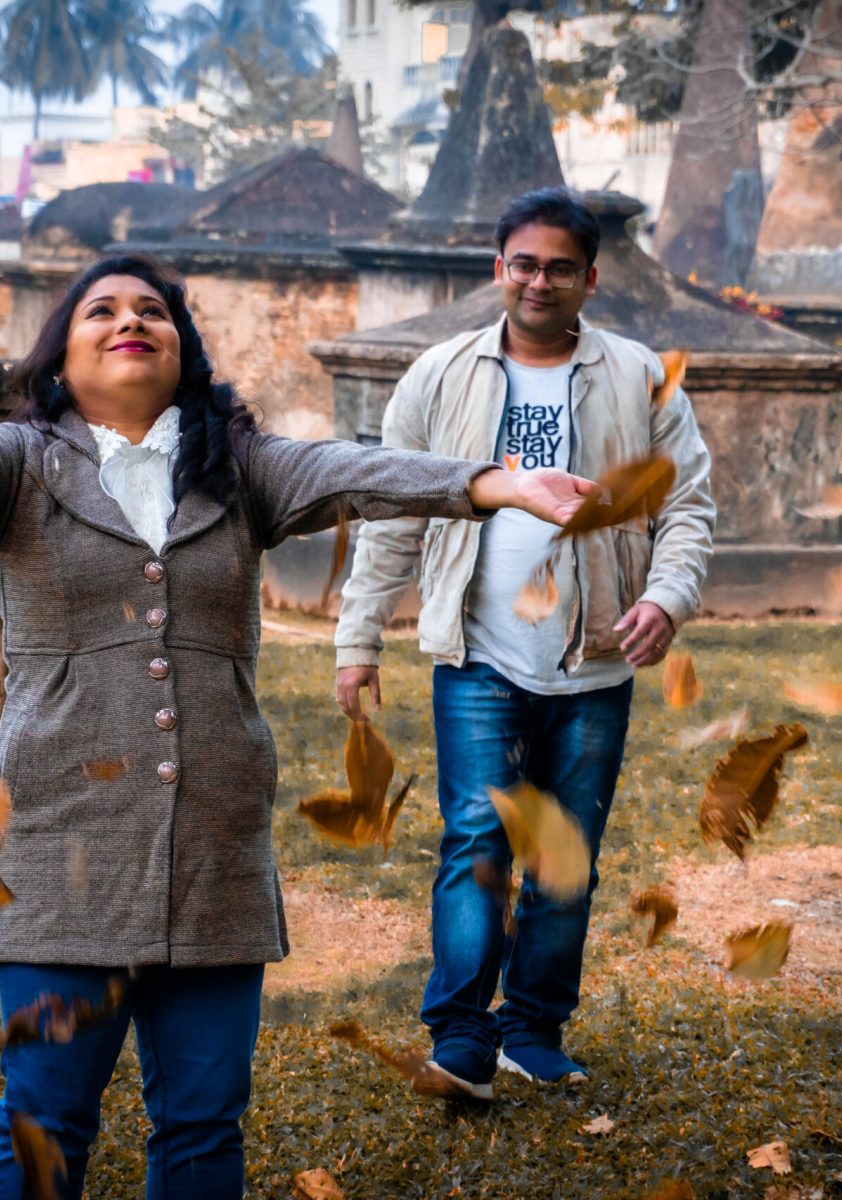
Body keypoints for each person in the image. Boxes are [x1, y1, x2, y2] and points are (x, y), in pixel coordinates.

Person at [0, 255, 597, 1199]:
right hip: (60, 842)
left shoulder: (240, 468)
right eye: (100, 311)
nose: (129, 321)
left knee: (204, 1123)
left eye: (152, 310)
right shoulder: (17, 463)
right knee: (47, 1118)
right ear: (62, 358)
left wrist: (495, 483)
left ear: (183, 350)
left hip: (214, 846)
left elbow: (355, 470)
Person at [333, 188, 715, 1098]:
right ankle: (462, 1037)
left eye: (559, 268)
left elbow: (687, 506)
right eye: (524, 264)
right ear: (498, 268)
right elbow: (393, 510)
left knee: (565, 857)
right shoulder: (438, 374)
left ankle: (533, 1030)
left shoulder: (639, 377)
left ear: (591, 278)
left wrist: (667, 598)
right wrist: (359, 637)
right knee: (476, 843)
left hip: (595, 658)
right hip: (478, 653)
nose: (539, 282)